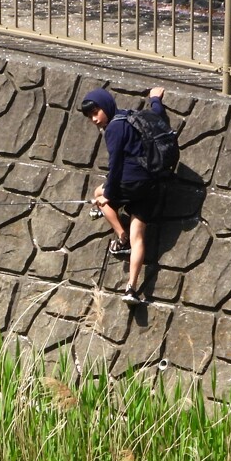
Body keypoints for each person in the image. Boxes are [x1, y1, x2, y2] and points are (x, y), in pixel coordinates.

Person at [79, 86, 167, 306]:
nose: (94, 119)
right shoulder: (131, 118)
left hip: (130, 183)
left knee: (98, 194)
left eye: (95, 112)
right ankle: (131, 289)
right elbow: (157, 117)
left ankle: (121, 237)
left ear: (105, 107)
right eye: (90, 116)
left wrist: (107, 195)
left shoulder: (114, 129)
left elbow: (115, 164)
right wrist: (155, 99)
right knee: (140, 234)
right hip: (151, 184)